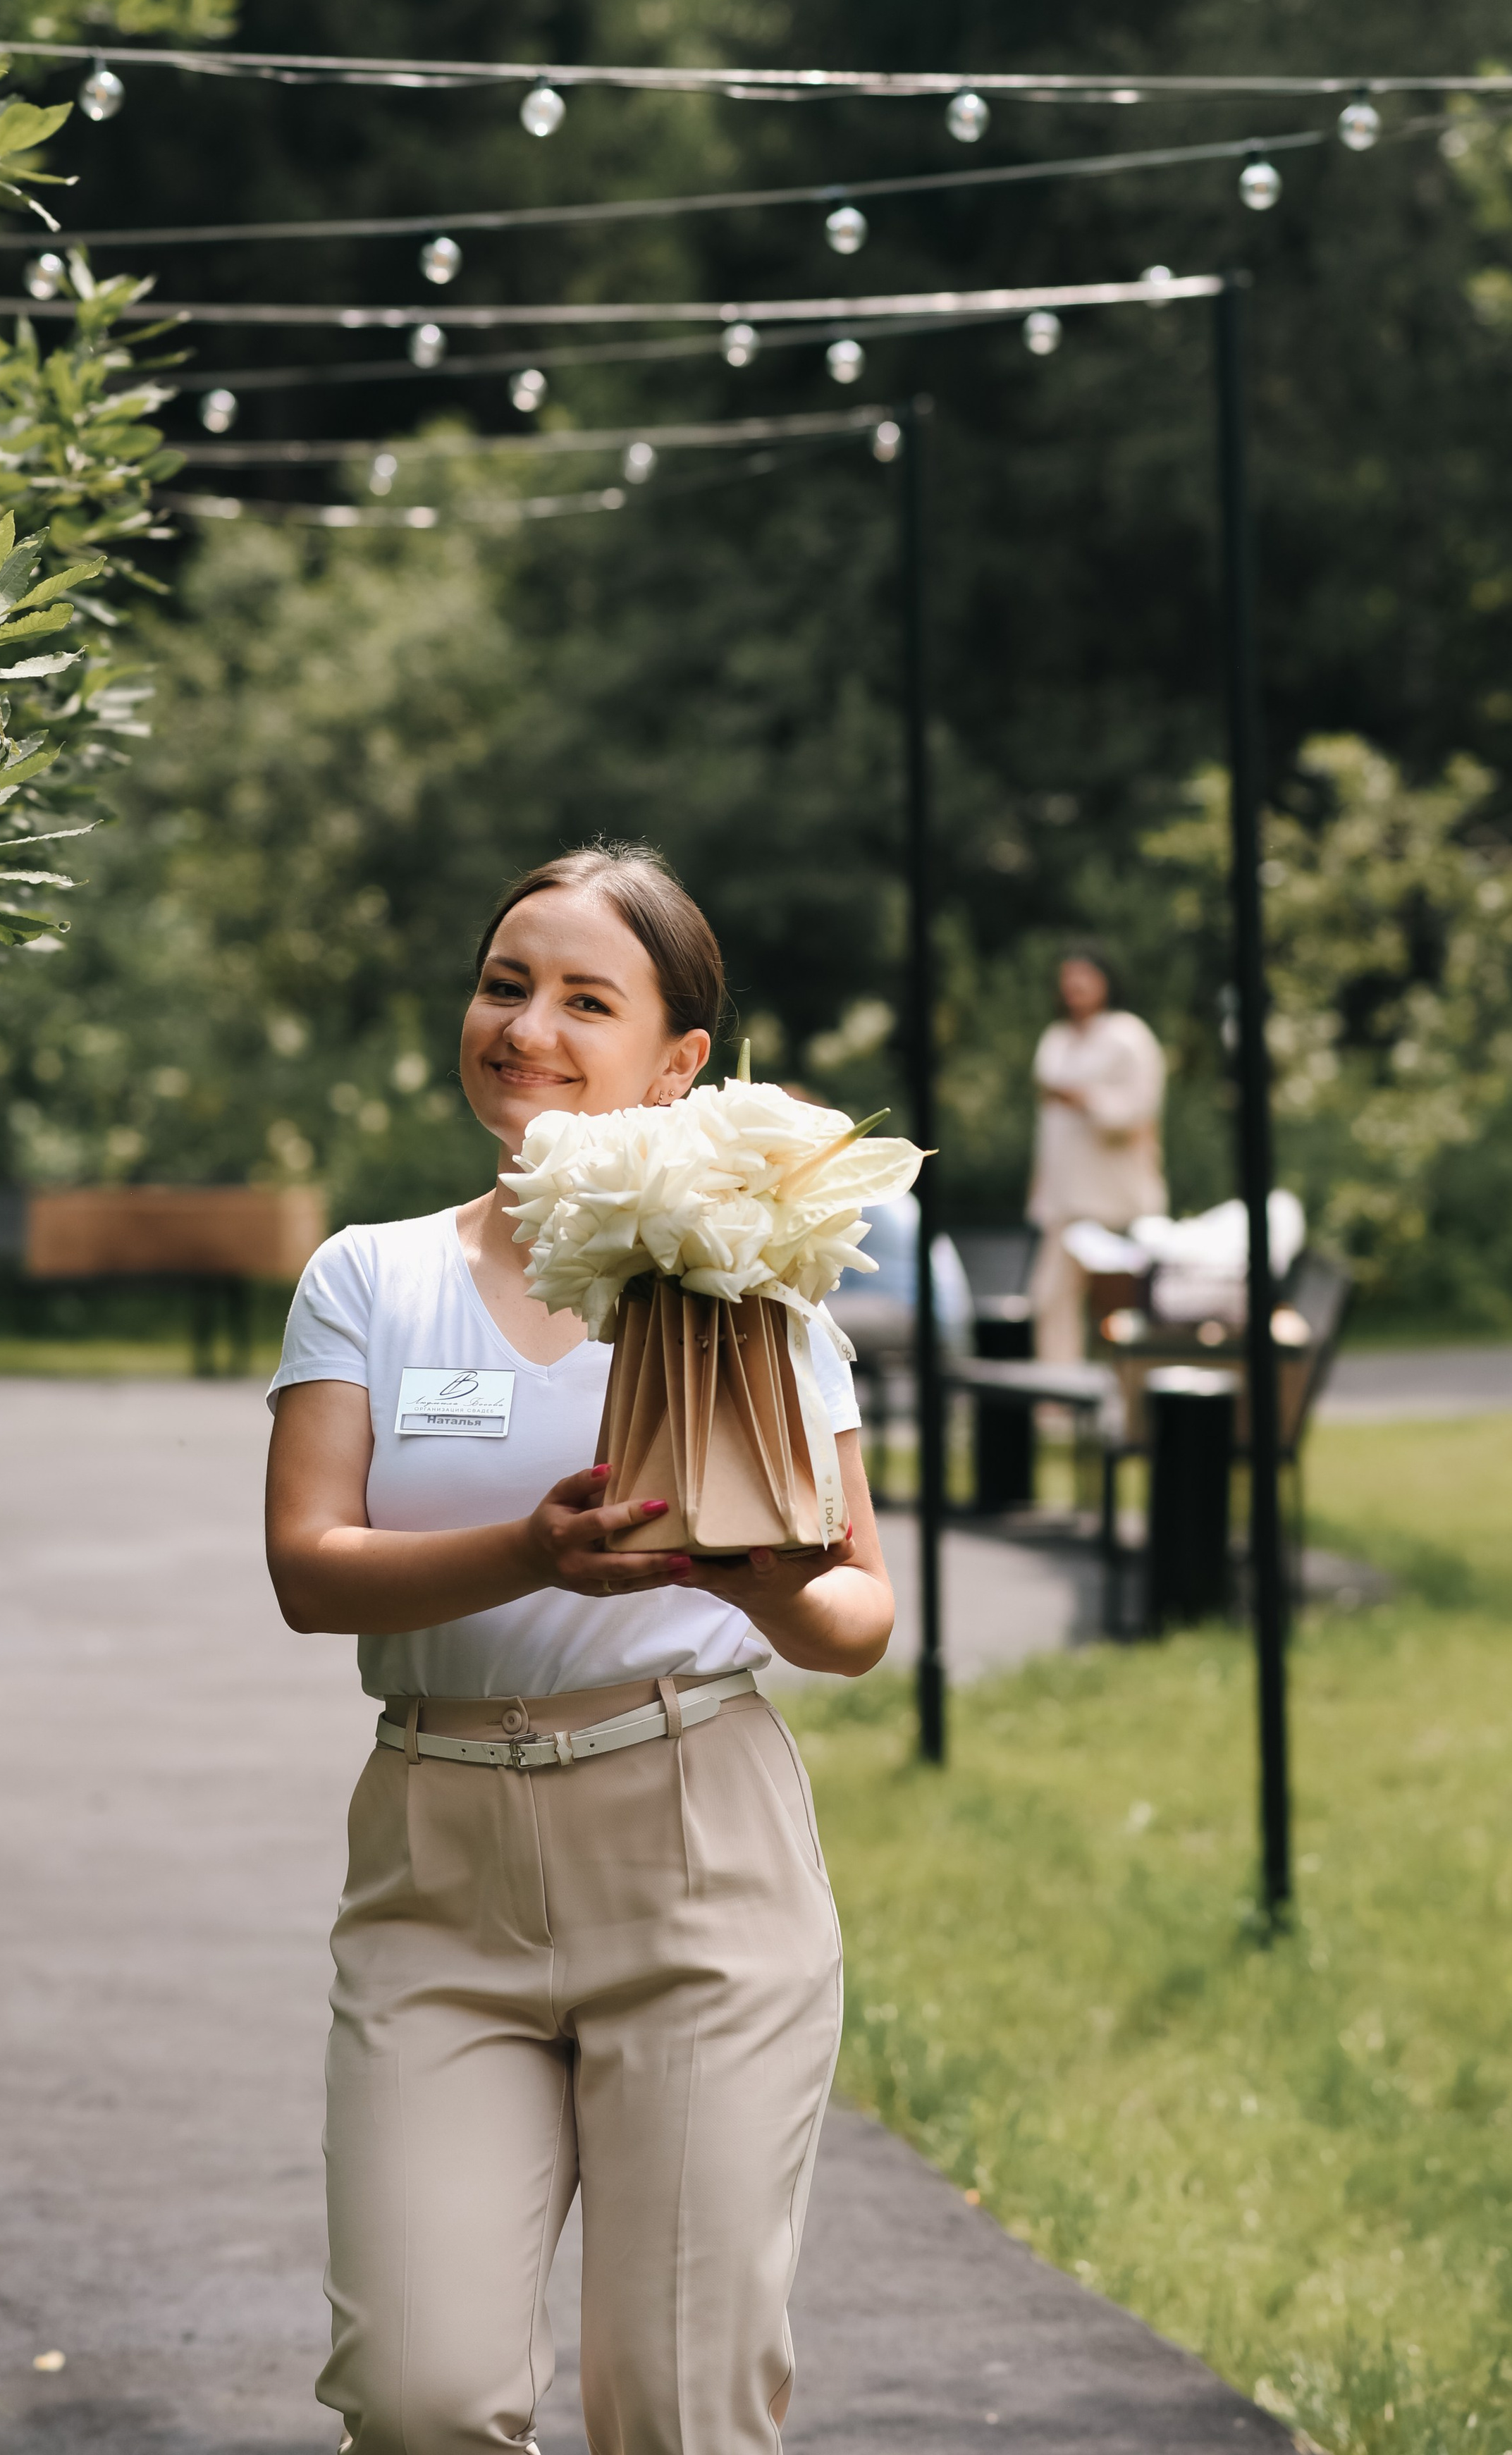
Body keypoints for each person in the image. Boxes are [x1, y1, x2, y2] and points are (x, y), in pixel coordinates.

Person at [264, 844, 893, 2455]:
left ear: (677, 1061)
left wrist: (757, 1580)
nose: (525, 1025)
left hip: (696, 1851)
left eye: (582, 999)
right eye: (503, 984)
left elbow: (856, 1612)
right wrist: (527, 1550)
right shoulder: (372, 1276)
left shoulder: (750, 1283)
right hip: (438, 1866)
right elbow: (309, 1569)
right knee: (418, 2396)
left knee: (676, 2407)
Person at [1026, 949, 1167, 1362]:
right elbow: (1048, 1126)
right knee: (1052, 1302)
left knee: (1122, 1311)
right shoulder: (1055, 1038)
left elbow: (1140, 1112)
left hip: (1116, 1202)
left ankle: (1123, 1393)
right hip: (1064, 1201)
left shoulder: (1128, 1036)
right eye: (1068, 977)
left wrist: (1085, 1099)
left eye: (1084, 976)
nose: (1074, 986)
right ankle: (1058, 1391)